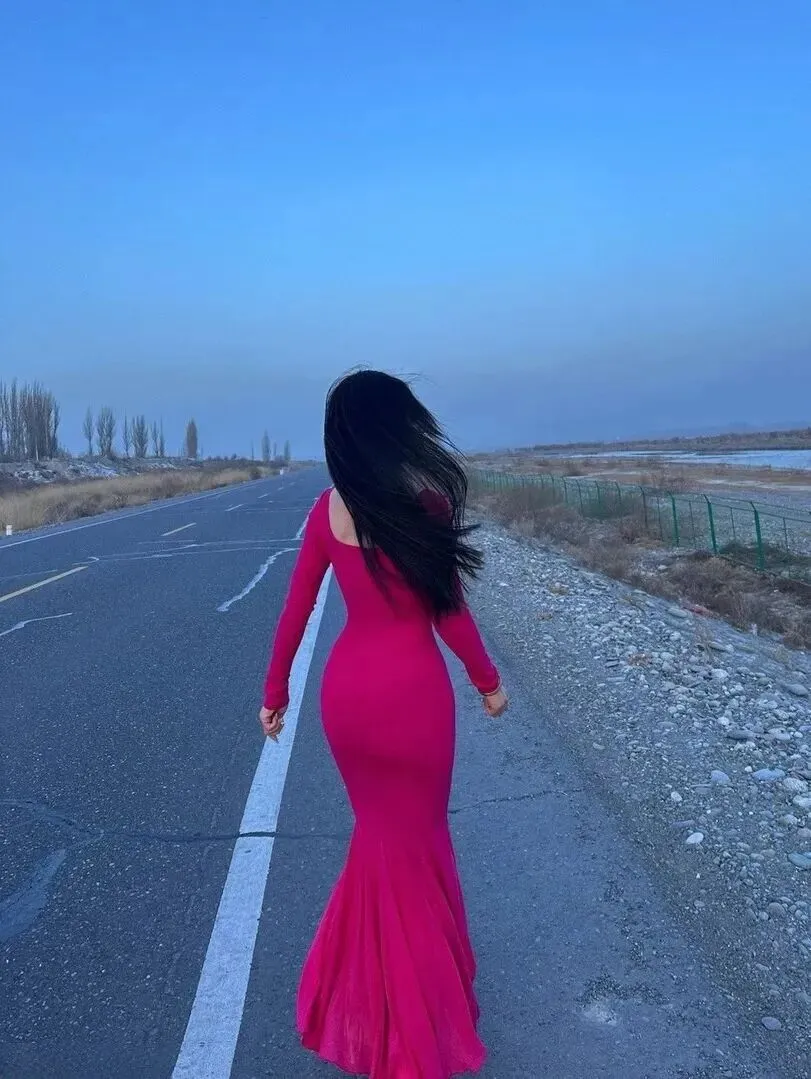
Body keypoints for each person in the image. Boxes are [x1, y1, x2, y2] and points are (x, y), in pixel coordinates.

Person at [259, 369, 508, 1078]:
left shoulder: (326, 510)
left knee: (377, 842)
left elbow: (297, 608)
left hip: (348, 700)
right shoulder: (426, 506)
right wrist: (486, 681)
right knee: (419, 846)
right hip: (413, 699)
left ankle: (374, 1009)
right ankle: (417, 1027)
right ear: (398, 429)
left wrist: (274, 692)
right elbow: (449, 612)